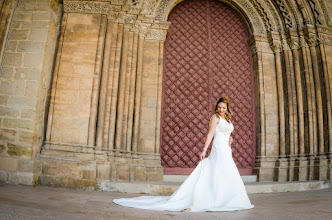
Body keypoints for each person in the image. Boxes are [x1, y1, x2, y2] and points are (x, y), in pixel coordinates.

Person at [113, 97, 254, 212]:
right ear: (216, 107)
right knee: (218, 169)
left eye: (224, 108)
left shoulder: (227, 119)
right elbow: (210, 134)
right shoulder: (215, 118)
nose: (221, 110)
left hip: (226, 148)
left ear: (227, 108)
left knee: (227, 171)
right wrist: (204, 149)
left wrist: (231, 138)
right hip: (218, 147)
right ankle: (214, 198)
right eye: (219, 107)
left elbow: (228, 132)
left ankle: (227, 197)